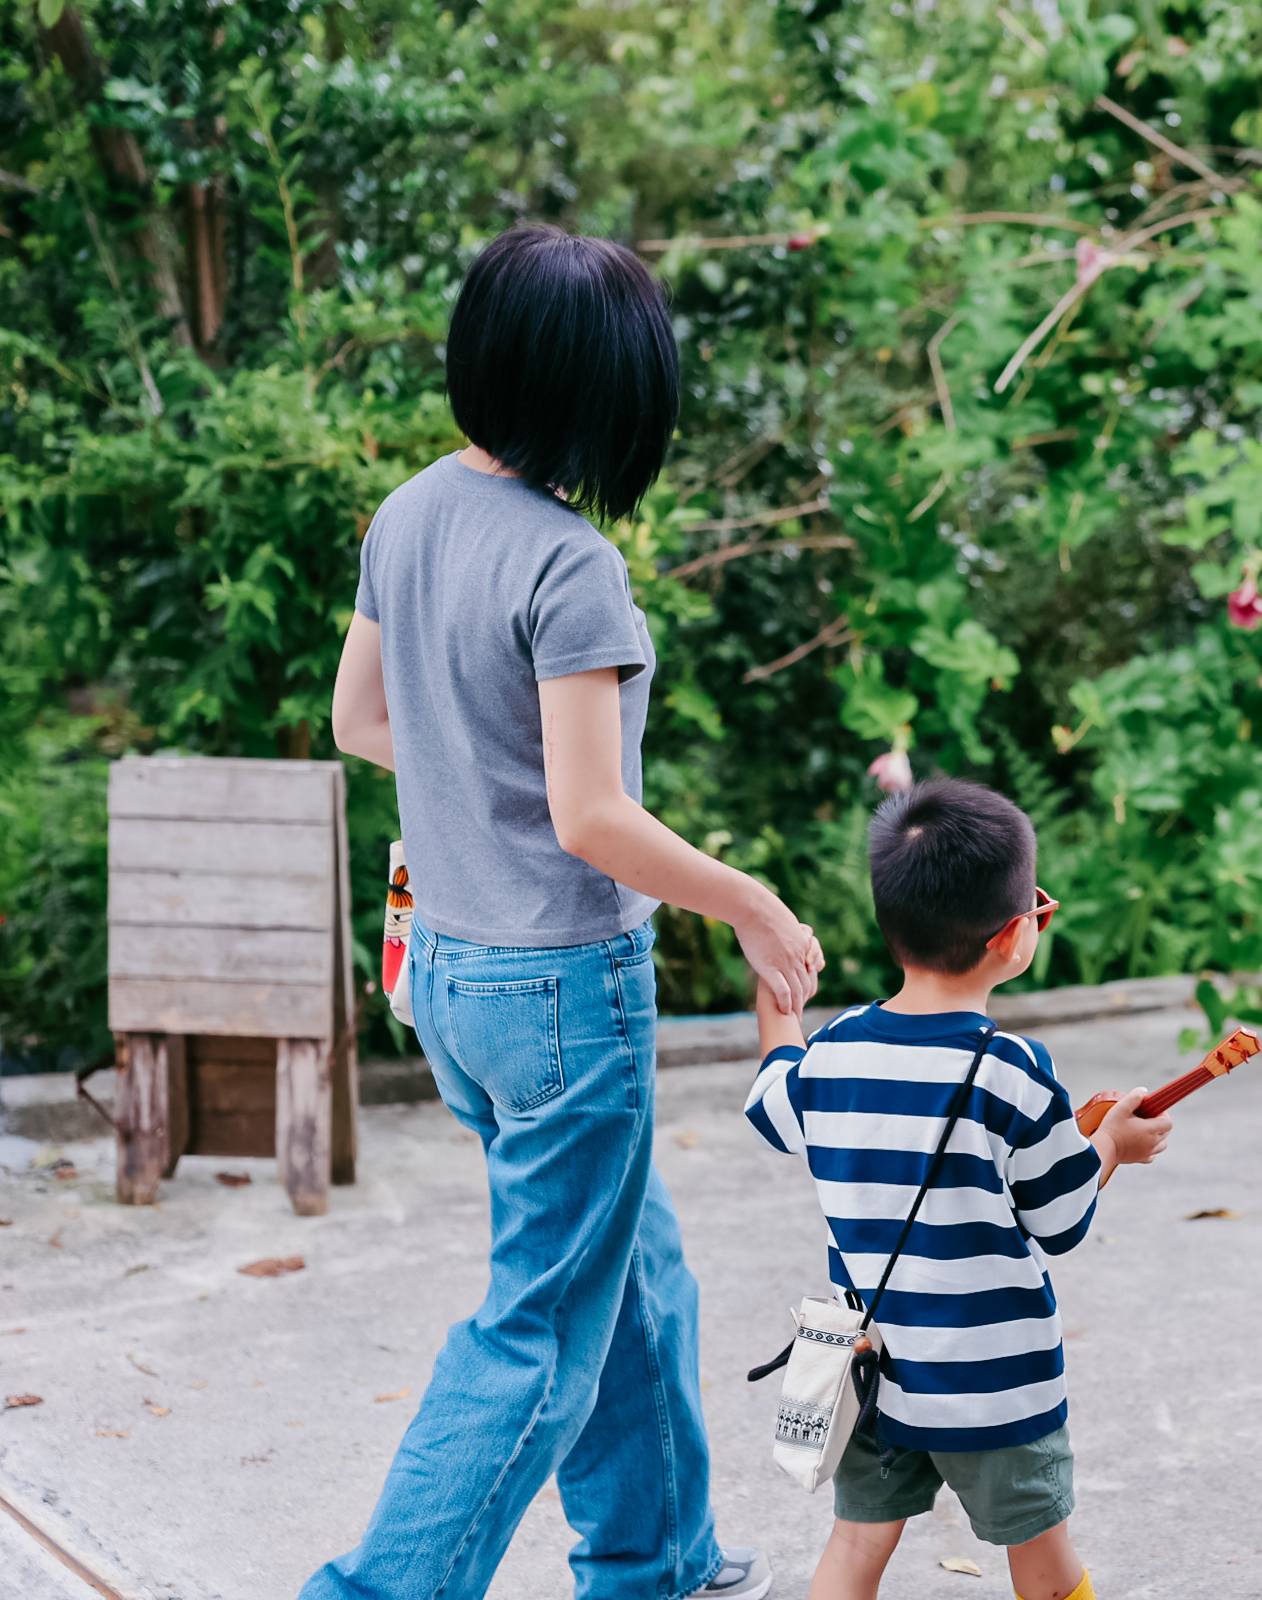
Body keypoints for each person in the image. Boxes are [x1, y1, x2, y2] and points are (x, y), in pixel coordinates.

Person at [317, 224, 814, 1600]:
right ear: (606, 403)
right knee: (537, 1334)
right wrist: (751, 906)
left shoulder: (408, 512)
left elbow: (362, 717)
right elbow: (593, 819)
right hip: (559, 992)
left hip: (451, 982)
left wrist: (472, 774)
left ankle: (658, 1563)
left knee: (636, 1276)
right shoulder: (568, 562)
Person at [744, 778, 1173, 1600]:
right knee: (1044, 1566)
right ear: (1016, 937)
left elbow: (775, 1094)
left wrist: (779, 997)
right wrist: (1113, 1141)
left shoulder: (834, 1057)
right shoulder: (1012, 1072)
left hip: (872, 1370)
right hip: (996, 1385)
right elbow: (1060, 1216)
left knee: (855, 1548)